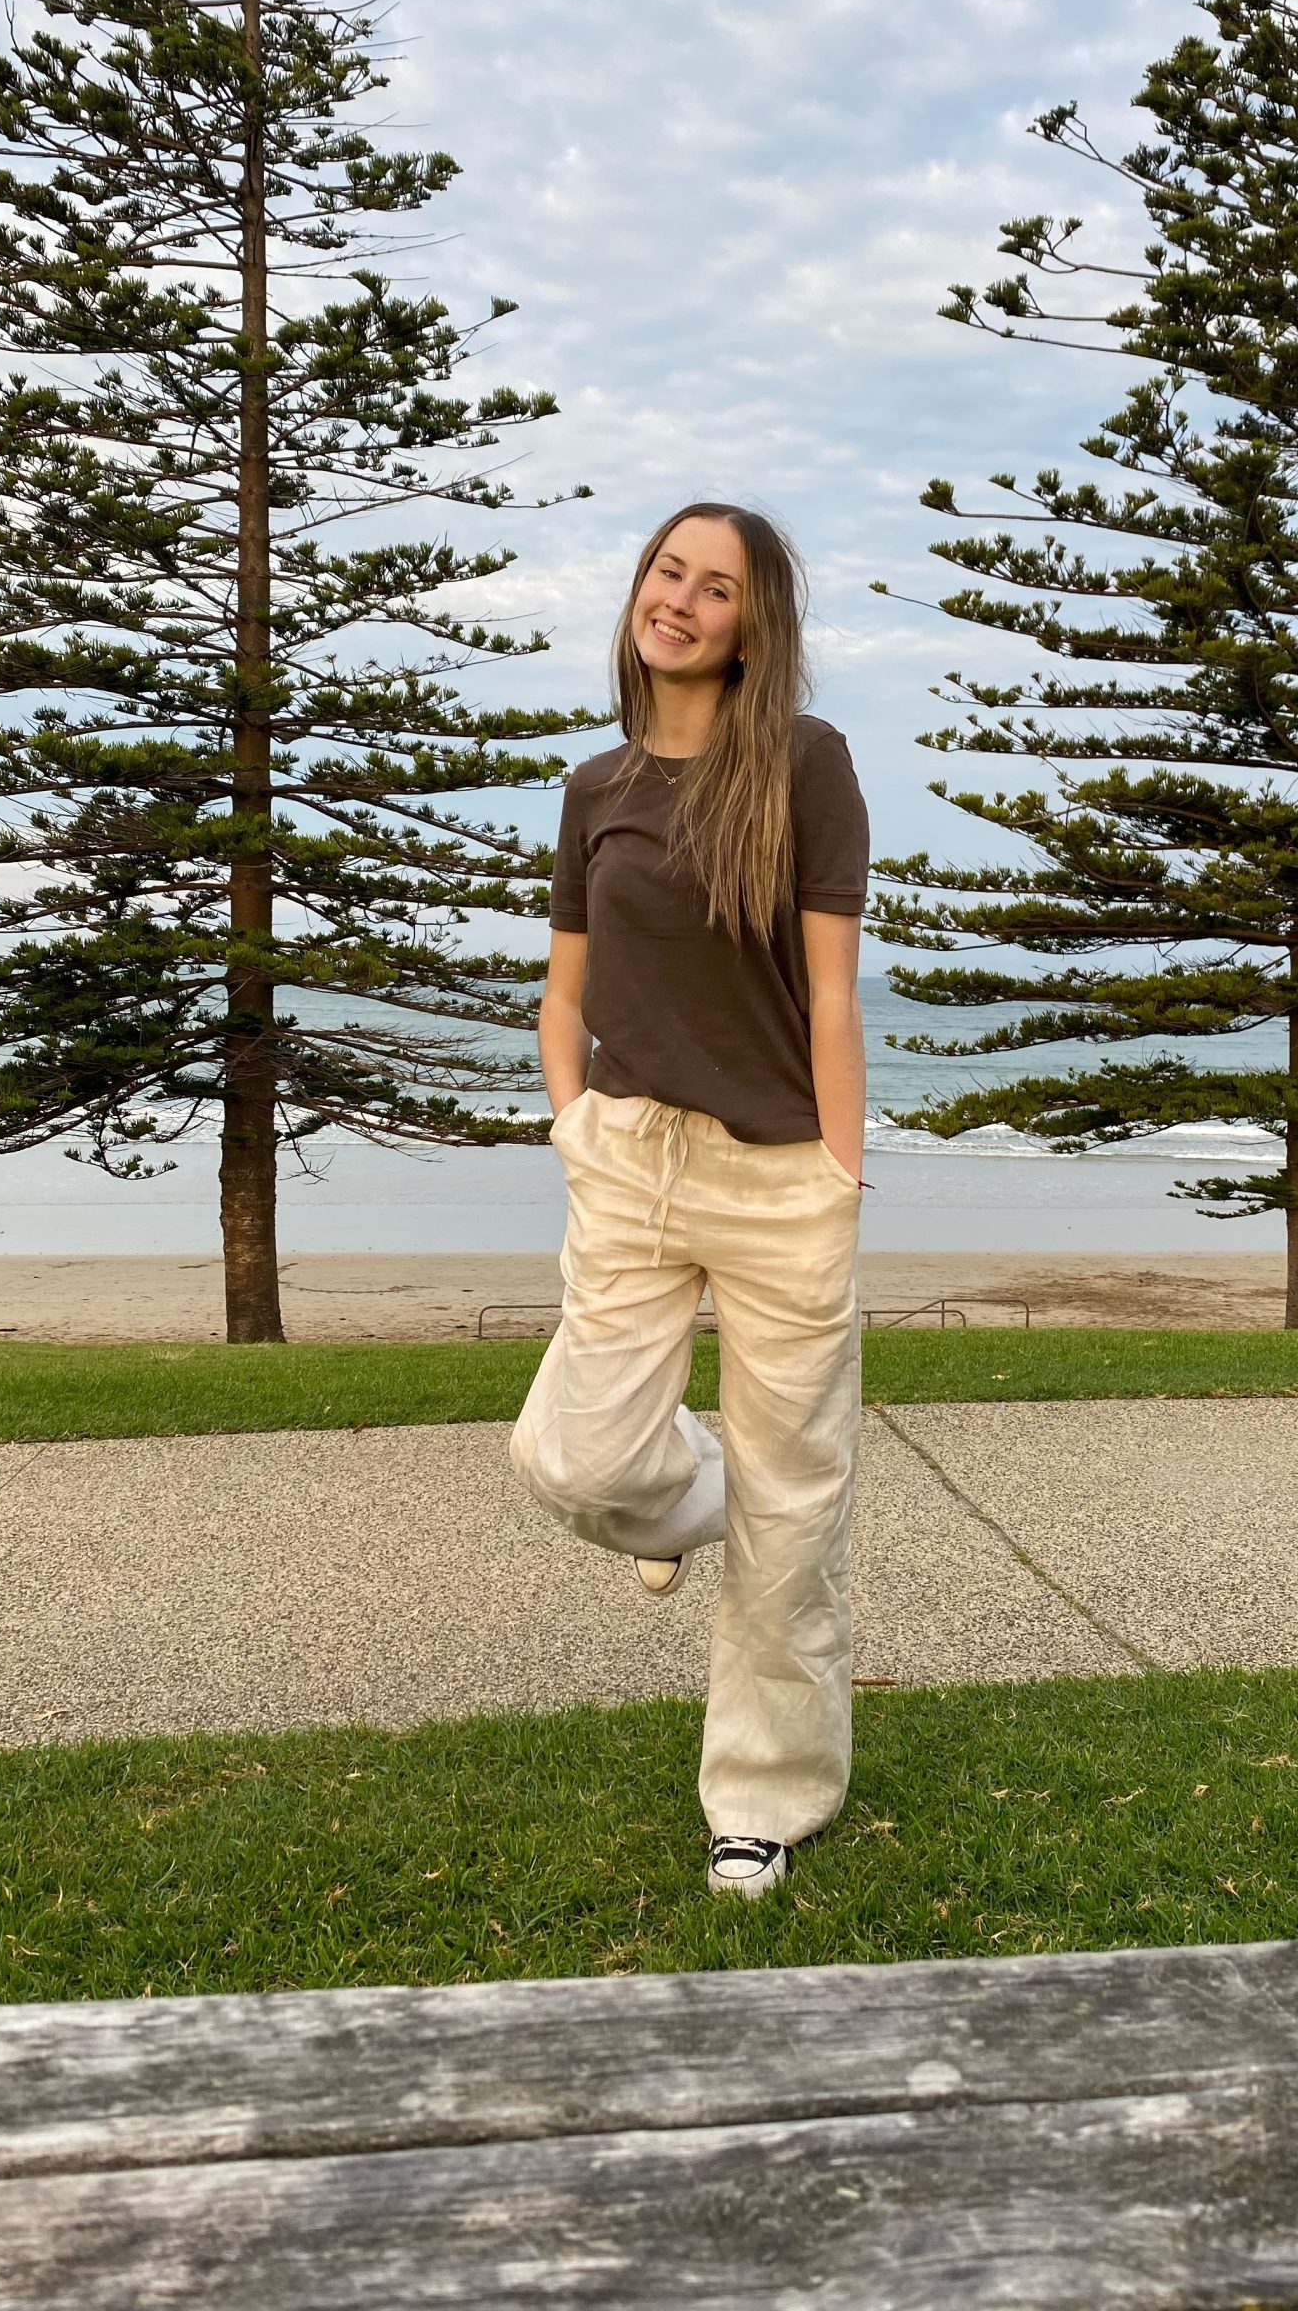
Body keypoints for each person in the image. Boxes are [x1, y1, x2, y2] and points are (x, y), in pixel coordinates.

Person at [510, 502, 869, 1903]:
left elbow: (831, 993)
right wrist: (573, 1122)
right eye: (669, 572)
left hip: (781, 1178)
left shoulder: (803, 765)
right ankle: (694, 1493)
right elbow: (564, 991)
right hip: (632, 1162)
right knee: (579, 1460)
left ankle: (764, 1801)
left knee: (802, 1515)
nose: (681, 601)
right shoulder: (596, 788)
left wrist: (841, 1178)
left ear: (749, 625)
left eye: (715, 589)